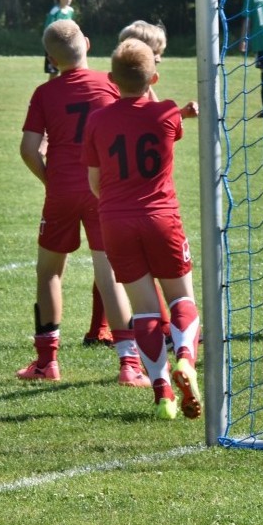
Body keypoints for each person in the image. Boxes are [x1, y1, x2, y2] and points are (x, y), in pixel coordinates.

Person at [16, 19, 147, 388]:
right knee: (109, 274)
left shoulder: (45, 93)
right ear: (87, 44)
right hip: (103, 190)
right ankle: (128, 365)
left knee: (49, 273)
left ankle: (46, 363)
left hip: (61, 191)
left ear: (50, 58)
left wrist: (50, 179)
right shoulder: (110, 82)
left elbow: (28, 149)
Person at [83, 38, 202, 420]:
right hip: (161, 217)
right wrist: (177, 108)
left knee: (144, 310)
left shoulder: (97, 120)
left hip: (115, 220)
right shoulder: (166, 113)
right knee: (182, 300)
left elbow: (95, 183)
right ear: (154, 76)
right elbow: (160, 117)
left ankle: (163, 393)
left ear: (111, 80)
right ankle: (185, 358)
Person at [85, 20, 175, 347]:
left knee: (110, 259)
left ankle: (100, 327)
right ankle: (162, 328)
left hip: (109, 188)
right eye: (157, 54)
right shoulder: (125, 91)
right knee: (141, 262)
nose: (160, 61)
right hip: (117, 187)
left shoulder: (127, 84)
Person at [43, 0, 75, 80]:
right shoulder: (55, 11)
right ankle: (49, 92)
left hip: (66, 45)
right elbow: (48, 28)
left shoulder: (70, 11)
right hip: (54, 46)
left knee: (66, 70)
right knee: (54, 72)